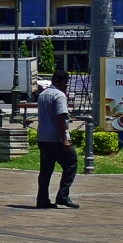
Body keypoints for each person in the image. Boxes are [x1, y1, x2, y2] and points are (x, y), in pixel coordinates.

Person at [35, 69, 77, 209]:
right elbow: (61, 117)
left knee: (46, 171)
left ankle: (42, 200)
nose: (66, 85)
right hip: (56, 138)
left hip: (43, 137)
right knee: (71, 163)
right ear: (57, 81)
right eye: (65, 82)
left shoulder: (42, 94)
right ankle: (62, 196)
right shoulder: (59, 96)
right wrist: (65, 139)